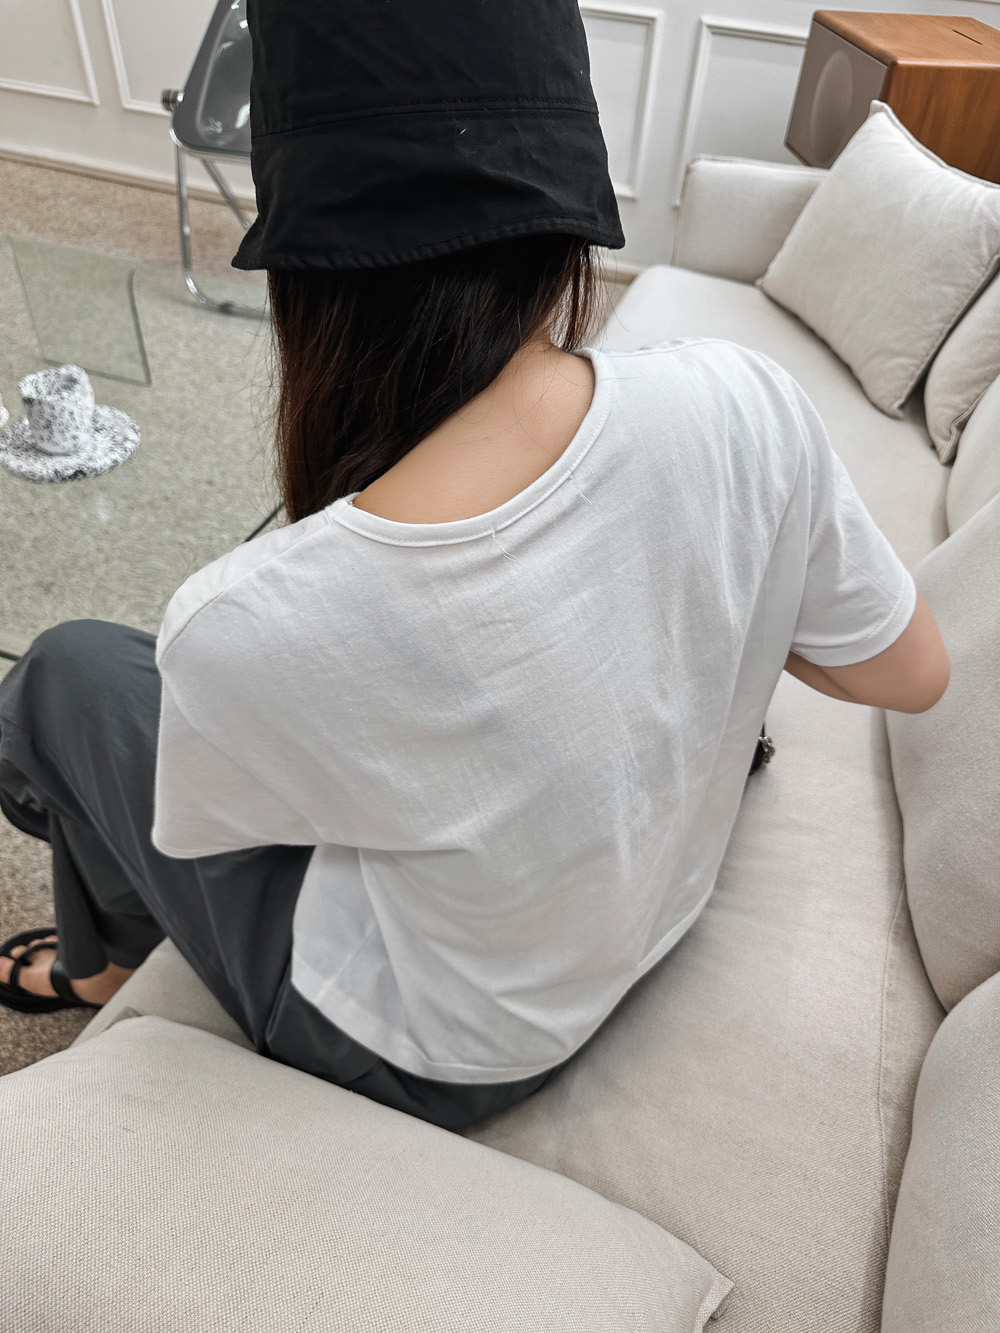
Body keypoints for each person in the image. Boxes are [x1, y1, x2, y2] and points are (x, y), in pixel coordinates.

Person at [0, 0, 949, 1132]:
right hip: (651, 914)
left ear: (308, 275)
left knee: (61, 677)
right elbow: (910, 672)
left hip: (433, 1052)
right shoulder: (745, 399)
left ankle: (102, 967)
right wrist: (715, 580)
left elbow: (221, 831)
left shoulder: (245, 617)